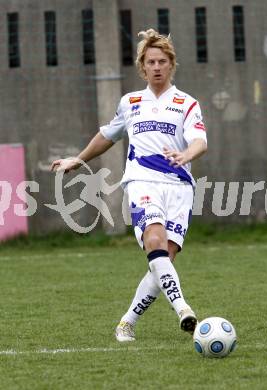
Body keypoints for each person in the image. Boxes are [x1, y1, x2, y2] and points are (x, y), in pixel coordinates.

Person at [51, 29, 207, 342]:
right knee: (154, 238)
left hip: (179, 187)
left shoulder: (187, 104)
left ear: (171, 64)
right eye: (151, 62)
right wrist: (77, 160)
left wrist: (185, 154)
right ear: (142, 67)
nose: (157, 67)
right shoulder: (131, 102)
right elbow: (107, 135)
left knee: (164, 258)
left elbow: (200, 141)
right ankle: (183, 309)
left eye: (163, 61)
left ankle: (126, 322)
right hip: (142, 182)